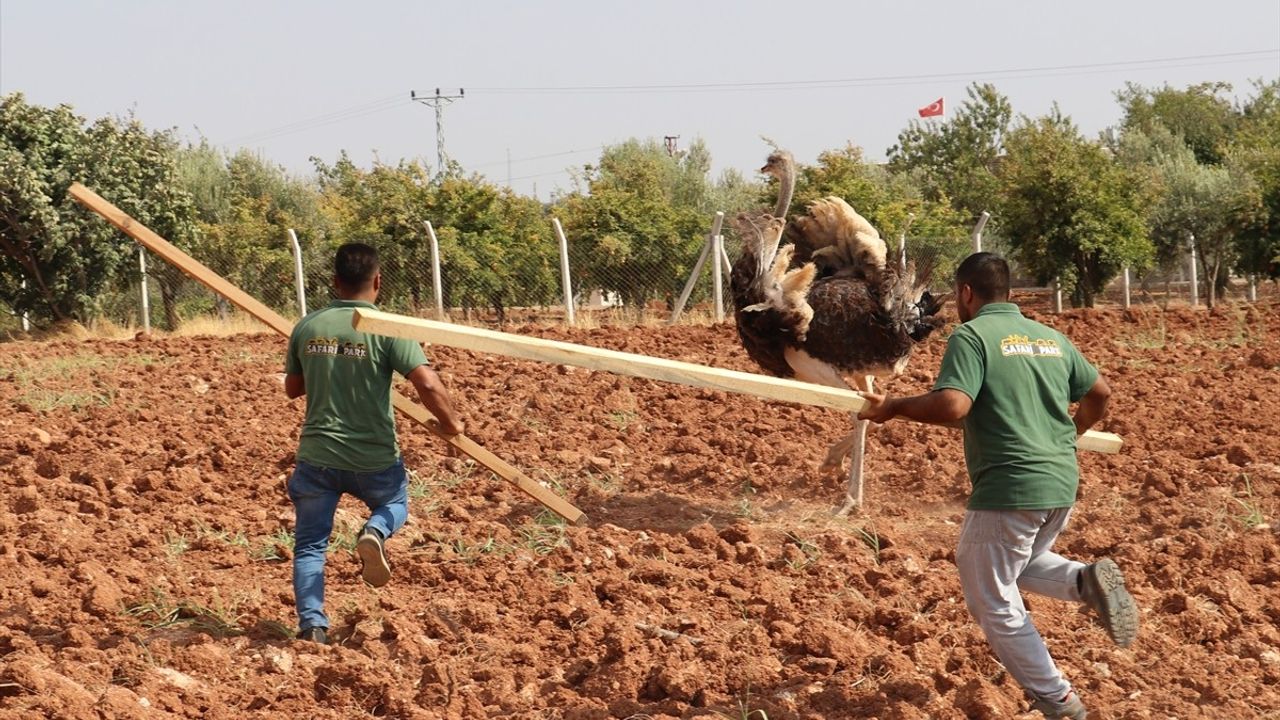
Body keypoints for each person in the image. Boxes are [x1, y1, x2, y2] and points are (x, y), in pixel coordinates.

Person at [858, 252, 1138, 720]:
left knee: (990, 598)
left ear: (967, 293)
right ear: (1008, 291)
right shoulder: (1049, 338)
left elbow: (953, 405)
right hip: (1060, 481)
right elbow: (1100, 394)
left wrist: (894, 407)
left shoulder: (972, 335)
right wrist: (1073, 433)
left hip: (1011, 485)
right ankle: (1085, 582)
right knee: (1017, 563)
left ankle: (1057, 698)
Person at [283, 242, 465, 645]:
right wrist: (452, 425)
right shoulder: (388, 329)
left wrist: (326, 364)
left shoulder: (307, 326)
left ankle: (312, 626)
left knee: (311, 544)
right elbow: (428, 383)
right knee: (395, 503)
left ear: (334, 281)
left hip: (317, 457)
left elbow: (293, 390)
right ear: (378, 281)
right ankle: (377, 531)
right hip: (373, 458)